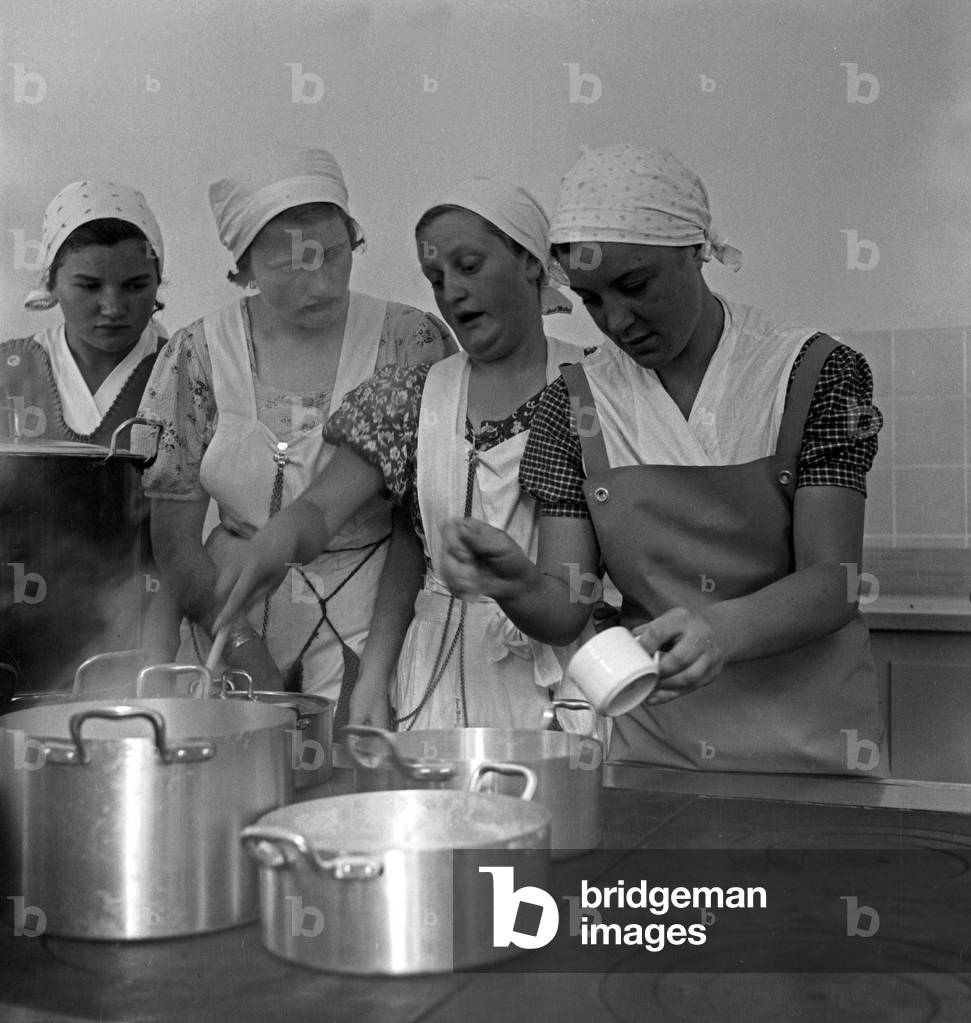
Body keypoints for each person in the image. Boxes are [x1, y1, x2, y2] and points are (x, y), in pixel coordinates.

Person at [438, 144, 886, 774]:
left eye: (635, 285)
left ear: (693, 251)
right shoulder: (572, 407)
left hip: (814, 752)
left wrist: (720, 632)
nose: (617, 321)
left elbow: (831, 582)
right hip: (658, 756)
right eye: (591, 299)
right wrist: (514, 582)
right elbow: (566, 607)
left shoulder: (810, 375)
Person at [212, 179, 596, 731]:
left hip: (555, 682)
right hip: (433, 681)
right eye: (436, 279)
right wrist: (277, 543)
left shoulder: (592, 387)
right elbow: (337, 518)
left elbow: (583, 583)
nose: (452, 292)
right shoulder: (412, 396)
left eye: (469, 266)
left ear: (531, 261)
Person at [139, 147, 454, 715]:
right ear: (243, 268)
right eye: (287, 265)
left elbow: (420, 524)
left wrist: (377, 670)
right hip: (226, 612)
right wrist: (240, 647)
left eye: (334, 254)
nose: (319, 285)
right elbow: (175, 539)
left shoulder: (410, 342)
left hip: (377, 618)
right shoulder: (197, 356)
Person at [0, 180, 172, 691]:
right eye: (89, 286)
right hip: (12, 629)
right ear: (52, 282)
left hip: (142, 630)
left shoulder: (185, 372)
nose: (113, 307)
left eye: (136, 286)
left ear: (159, 281)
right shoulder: (9, 371)